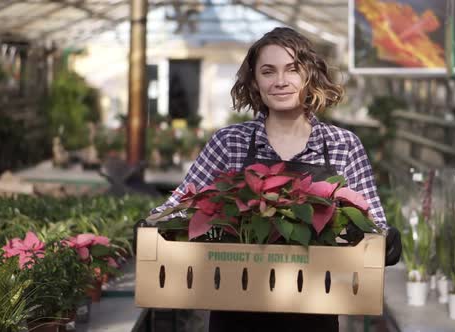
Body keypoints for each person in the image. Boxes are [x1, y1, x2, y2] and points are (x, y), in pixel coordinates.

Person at [149, 26, 400, 332]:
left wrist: (385, 239)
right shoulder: (230, 142)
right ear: (255, 82)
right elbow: (181, 205)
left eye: (292, 70)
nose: (280, 81)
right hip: (235, 308)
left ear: (310, 76)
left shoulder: (342, 144)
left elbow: (372, 220)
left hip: (314, 309)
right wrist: (152, 224)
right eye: (268, 72)